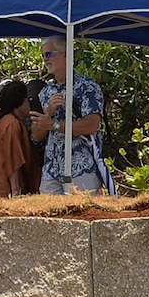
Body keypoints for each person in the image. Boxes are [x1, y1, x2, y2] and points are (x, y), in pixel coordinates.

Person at [31, 38, 106, 193]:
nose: (46, 59)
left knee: (81, 215)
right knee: (47, 215)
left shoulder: (87, 87)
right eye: (43, 55)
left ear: (66, 55)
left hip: (81, 168)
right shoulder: (45, 92)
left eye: (49, 54)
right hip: (51, 170)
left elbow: (92, 125)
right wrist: (49, 113)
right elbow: (37, 135)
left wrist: (55, 125)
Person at [0, 78, 37, 197]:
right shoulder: (11, 123)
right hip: (6, 190)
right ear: (20, 101)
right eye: (27, 99)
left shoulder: (2, 122)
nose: (29, 103)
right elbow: (14, 160)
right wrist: (16, 190)